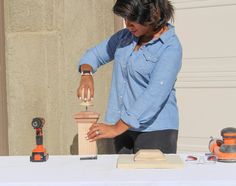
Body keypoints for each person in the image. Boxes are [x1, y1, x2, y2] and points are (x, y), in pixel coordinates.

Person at [77, 0, 182, 154]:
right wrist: (86, 74)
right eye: (125, 19)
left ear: (153, 15)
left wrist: (116, 128)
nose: (127, 24)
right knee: (121, 177)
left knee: (149, 178)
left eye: (132, 20)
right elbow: (95, 54)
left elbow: (154, 95)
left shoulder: (171, 48)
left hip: (156, 130)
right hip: (122, 128)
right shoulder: (124, 37)